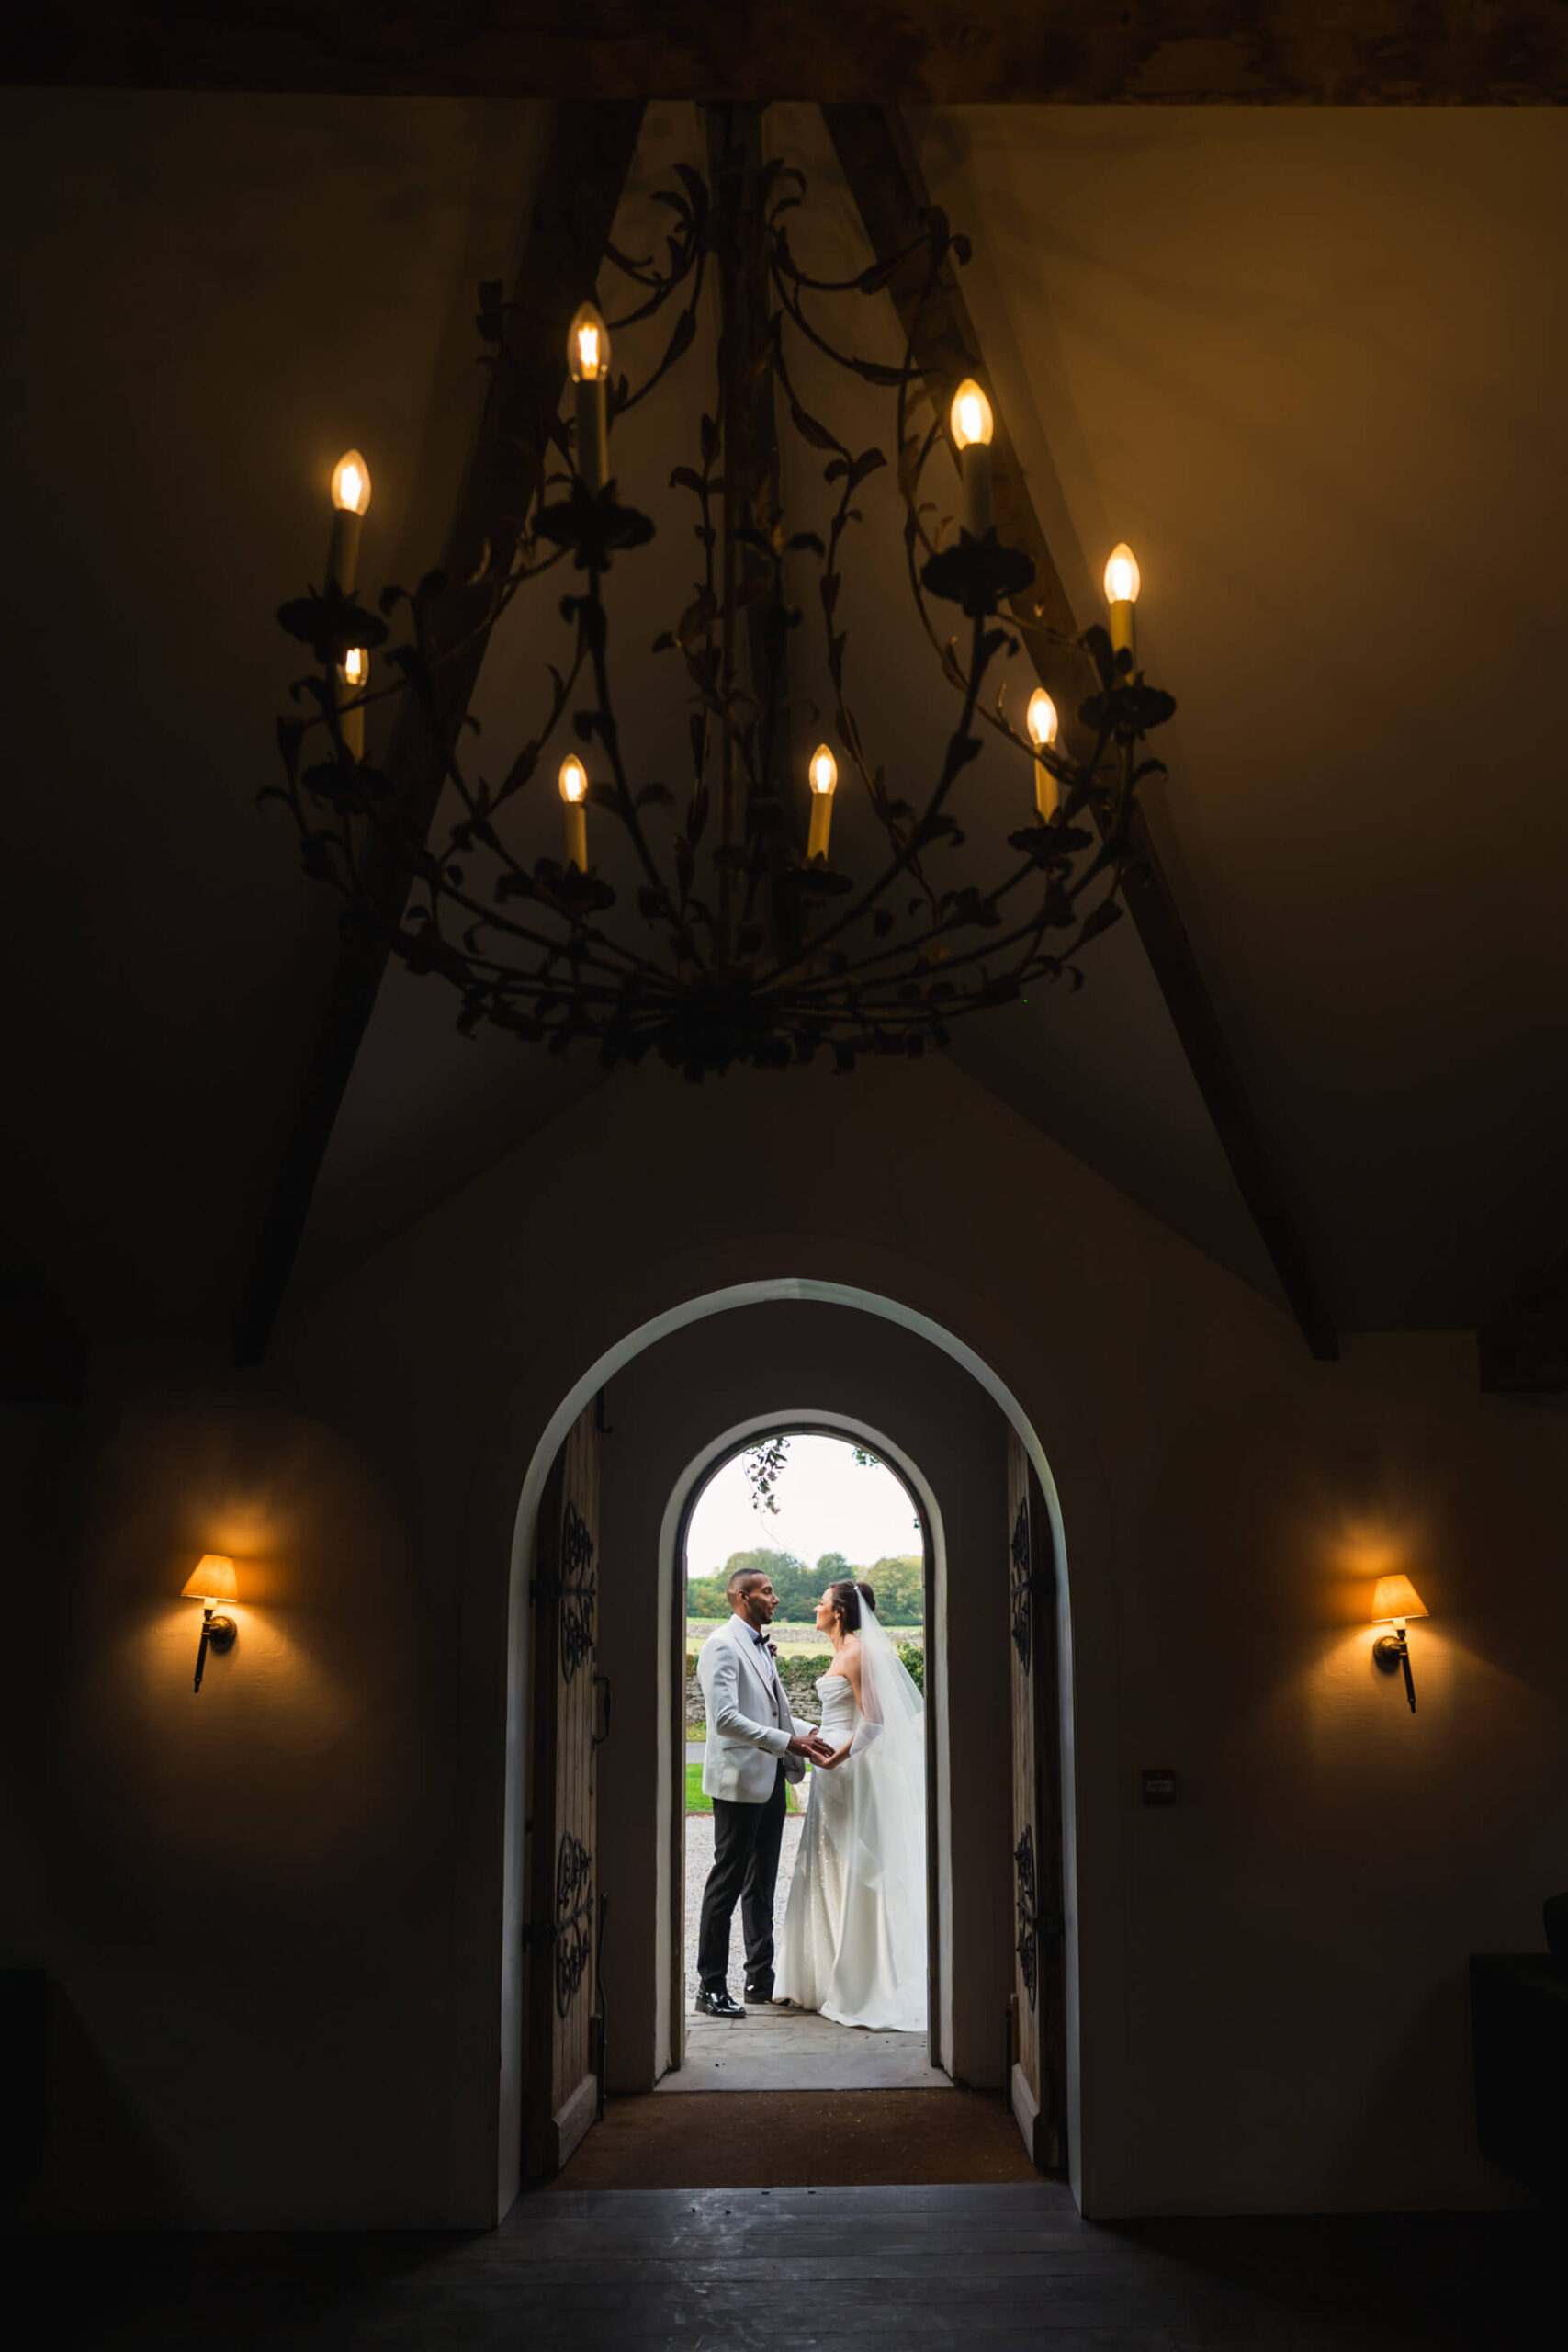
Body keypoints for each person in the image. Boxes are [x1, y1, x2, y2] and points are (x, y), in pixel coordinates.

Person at [776, 1578, 928, 2032]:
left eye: (822, 1603)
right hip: (829, 1767)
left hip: (848, 1767)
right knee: (824, 1864)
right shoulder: (839, 1652)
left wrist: (837, 1756)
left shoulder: (859, 1652)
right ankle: (821, 1977)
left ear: (839, 1612)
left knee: (852, 1863)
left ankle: (863, 1979)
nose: (815, 1608)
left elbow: (875, 1720)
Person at [694, 1566, 833, 2018]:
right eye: (766, 1592)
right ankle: (710, 1986)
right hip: (737, 1783)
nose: (775, 1599)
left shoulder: (760, 1646)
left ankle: (759, 1979)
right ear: (741, 1596)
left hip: (771, 1777)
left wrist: (813, 1734)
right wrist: (787, 1742)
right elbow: (725, 1719)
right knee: (727, 1882)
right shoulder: (721, 1646)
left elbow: (772, 1710)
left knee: (762, 1884)